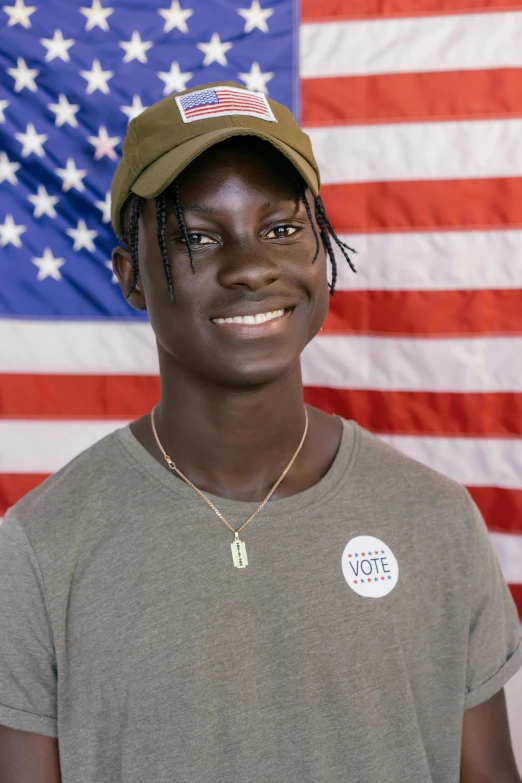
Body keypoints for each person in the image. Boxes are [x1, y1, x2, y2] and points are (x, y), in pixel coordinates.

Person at [0, 81, 521, 783]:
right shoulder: (38, 548)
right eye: (197, 236)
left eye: (281, 229)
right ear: (130, 278)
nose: (251, 267)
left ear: (322, 255)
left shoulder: (436, 519)